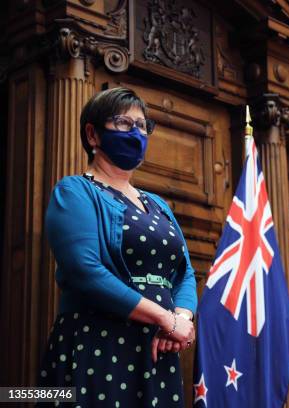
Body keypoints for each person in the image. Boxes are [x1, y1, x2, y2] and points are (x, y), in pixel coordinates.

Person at [38, 87, 197, 407]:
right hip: (98, 345)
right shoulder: (74, 191)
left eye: (142, 126)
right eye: (124, 123)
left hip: (157, 352)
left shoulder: (158, 204)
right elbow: (86, 273)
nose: (136, 132)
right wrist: (165, 319)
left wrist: (181, 317)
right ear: (92, 134)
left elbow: (184, 273)